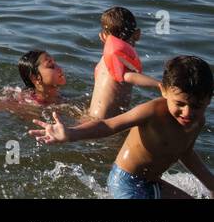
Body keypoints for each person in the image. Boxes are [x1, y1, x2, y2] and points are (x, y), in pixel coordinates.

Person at [30, 55, 214, 199]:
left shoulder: (197, 122)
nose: (187, 112)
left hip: (151, 182)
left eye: (197, 106)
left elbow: (186, 152)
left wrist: (211, 184)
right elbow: (108, 125)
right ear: (164, 91)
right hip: (126, 183)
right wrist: (71, 133)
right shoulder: (151, 112)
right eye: (180, 104)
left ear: (209, 99)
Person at [88, 7, 161, 120]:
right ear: (137, 34)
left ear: (102, 37)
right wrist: (160, 84)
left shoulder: (104, 59)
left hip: (91, 115)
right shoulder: (121, 58)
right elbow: (128, 76)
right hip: (106, 122)